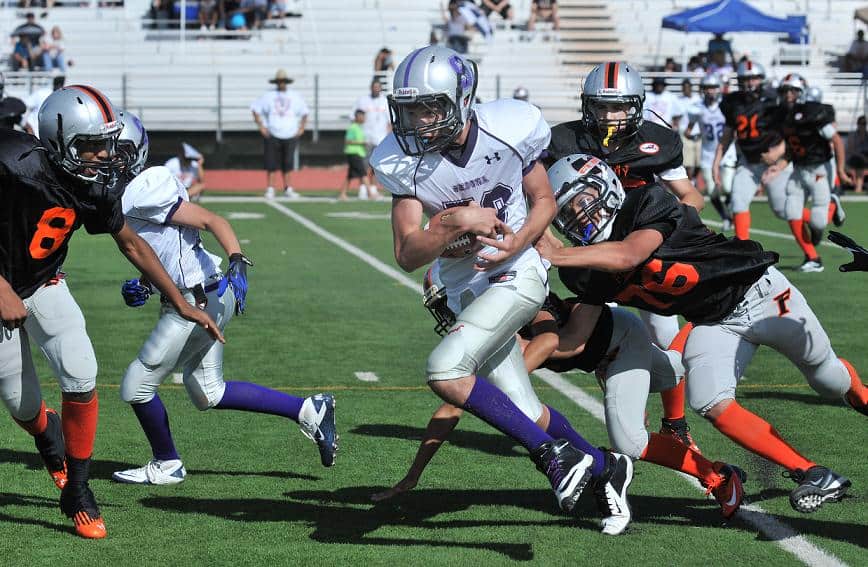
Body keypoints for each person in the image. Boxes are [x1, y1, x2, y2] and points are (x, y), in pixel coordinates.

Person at [370, 45, 634, 535]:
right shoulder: (400, 158)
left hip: (518, 273)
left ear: (461, 98)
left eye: (428, 106)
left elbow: (543, 201)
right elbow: (407, 254)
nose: (417, 120)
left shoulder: (509, 128)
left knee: (445, 368)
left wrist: (517, 244)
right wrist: (456, 224)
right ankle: (605, 468)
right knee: (527, 409)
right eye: (408, 108)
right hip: (463, 286)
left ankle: (551, 456)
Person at [537, 154, 867, 514]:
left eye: (583, 202)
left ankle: (859, 393)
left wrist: (560, 256)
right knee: (710, 401)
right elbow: (578, 335)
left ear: (605, 186)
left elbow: (630, 255)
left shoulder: (648, 201)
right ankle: (813, 472)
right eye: (568, 213)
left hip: (762, 294)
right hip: (714, 322)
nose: (581, 216)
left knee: (829, 381)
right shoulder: (584, 269)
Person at [0, 85, 222, 540]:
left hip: (43, 280)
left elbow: (131, 243)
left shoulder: (95, 185)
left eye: (108, 143)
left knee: (81, 372)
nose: (104, 155)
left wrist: (181, 303)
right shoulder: (11, 161)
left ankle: (79, 491)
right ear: (59, 141)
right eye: (92, 146)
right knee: (20, 402)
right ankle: (49, 441)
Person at [373, 260, 746, 521]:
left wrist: (519, 365)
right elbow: (453, 407)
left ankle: (716, 474)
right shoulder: (486, 328)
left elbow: (555, 340)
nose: (446, 312)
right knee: (671, 370)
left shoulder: (519, 301)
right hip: (603, 357)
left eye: (446, 301)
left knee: (631, 436)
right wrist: (413, 474)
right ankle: (697, 336)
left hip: (618, 343)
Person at [110, 112, 337, 485]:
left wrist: (237, 259)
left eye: (116, 151)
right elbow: (168, 248)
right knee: (207, 392)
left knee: (137, 385)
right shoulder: (127, 191)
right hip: (206, 291)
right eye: (103, 150)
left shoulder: (145, 186)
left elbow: (212, 221)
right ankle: (309, 410)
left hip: (198, 300)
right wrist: (146, 283)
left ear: (135, 152)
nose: (107, 159)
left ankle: (167, 463)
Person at [546, 61, 705, 450]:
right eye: (601, 106)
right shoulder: (563, 141)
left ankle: (675, 422)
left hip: (639, 246)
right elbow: (538, 197)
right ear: (587, 105)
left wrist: (676, 225)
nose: (610, 115)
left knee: (666, 336)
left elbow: (689, 194)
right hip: (591, 252)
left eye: (618, 107)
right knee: (587, 336)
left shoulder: (657, 141)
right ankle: (613, 370)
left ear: (637, 106)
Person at [778, 74, 850, 272]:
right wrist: (779, 165)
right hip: (799, 169)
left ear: (801, 93)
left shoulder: (813, 112)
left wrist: (841, 170)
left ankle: (832, 207)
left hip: (819, 169)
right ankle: (813, 258)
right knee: (791, 212)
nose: (788, 95)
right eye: (785, 91)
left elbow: (836, 141)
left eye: (792, 91)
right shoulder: (783, 115)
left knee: (818, 222)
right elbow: (792, 147)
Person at [712, 60, 786, 242]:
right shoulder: (733, 102)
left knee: (783, 210)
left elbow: (790, 130)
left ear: (761, 79)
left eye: (754, 78)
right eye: (746, 78)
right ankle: (743, 252)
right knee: (737, 203)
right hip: (748, 161)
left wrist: (779, 152)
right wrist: (716, 162)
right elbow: (728, 134)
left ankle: (824, 214)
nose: (750, 82)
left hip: (773, 162)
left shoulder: (773, 100)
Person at [685, 73, 737, 230]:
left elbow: (734, 127)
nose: (710, 91)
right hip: (708, 153)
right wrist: (693, 135)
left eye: (713, 87)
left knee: (727, 188)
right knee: (713, 191)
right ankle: (725, 217)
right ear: (702, 90)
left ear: (719, 89)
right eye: (707, 88)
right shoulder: (697, 109)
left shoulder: (727, 106)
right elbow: (688, 130)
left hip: (727, 151)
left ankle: (733, 209)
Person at [251, 69, 309, 199]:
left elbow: (305, 112)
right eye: (279, 81)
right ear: (276, 82)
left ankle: (288, 187)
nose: (281, 83)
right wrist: (261, 126)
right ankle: (271, 188)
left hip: (290, 134)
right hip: (272, 133)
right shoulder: (268, 96)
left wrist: (301, 128)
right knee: (271, 163)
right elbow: (255, 109)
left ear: (286, 82)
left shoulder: (295, 96)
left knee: (288, 162)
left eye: (283, 81)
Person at [353, 78, 390, 198]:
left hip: (380, 139)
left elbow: (390, 121)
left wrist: (388, 136)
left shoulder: (385, 101)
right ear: (371, 88)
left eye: (378, 87)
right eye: (374, 87)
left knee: (376, 166)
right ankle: (363, 188)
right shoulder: (363, 100)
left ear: (380, 88)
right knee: (364, 165)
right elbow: (355, 116)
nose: (376, 89)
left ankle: (373, 188)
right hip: (366, 138)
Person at [339, 109, 372, 201]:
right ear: (358, 117)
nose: (364, 118)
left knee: (350, 175)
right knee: (363, 173)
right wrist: (362, 142)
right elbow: (347, 140)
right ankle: (370, 193)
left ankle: (342, 194)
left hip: (357, 153)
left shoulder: (359, 127)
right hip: (354, 153)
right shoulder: (353, 127)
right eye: (363, 116)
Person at [676, 79, 701, 179]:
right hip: (685, 134)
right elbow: (676, 117)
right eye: (684, 88)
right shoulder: (679, 100)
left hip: (698, 133)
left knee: (699, 163)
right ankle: (691, 182)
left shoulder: (698, 99)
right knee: (688, 162)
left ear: (691, 88)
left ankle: (694, 180)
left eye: (687, 87)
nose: (686, 90)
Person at [846, 115, 868, 193]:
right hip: (854, 158)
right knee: (860, 162)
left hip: (865, 158)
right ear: (858, 124)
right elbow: (852, 151)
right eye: (861, 124)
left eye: (864, 124)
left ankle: (859, 187)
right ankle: (858, 188)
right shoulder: (853, 136)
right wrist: (863, 157)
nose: (862, 126)